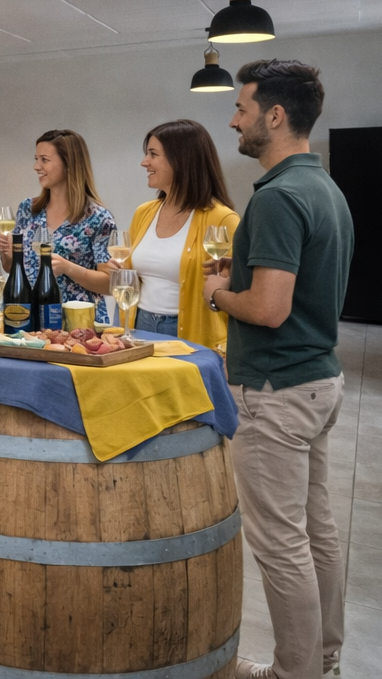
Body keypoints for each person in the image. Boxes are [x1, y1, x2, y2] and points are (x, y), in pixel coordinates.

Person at [203, 60, 352, 679]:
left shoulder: (277, 197)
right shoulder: (324, 187)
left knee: (281, 545)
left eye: (241, 109)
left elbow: (268, 308)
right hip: (318, 381)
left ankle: (296, 673)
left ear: (275, 115)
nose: (233, 121)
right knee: (316, 532)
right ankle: (323, 660)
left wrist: (219, 293)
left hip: (274, 391)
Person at [115, 119, 240, 347]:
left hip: (191, 335)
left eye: (153, 154)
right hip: (138, 326)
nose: (144, 162)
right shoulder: (143, 213)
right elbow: (128, 276)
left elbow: (235, 287)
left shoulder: (223, 219)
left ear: (182, 160)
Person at [0, 129, 116, 319]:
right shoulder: (28, 209)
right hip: (25, 318)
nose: (36, 166)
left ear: (69, 164)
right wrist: (7, 255)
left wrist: (69, 268)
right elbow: (14, 269)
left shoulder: (99, 218)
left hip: (75, 323)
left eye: (44, 160)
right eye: (36, 159)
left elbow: (110, 285)